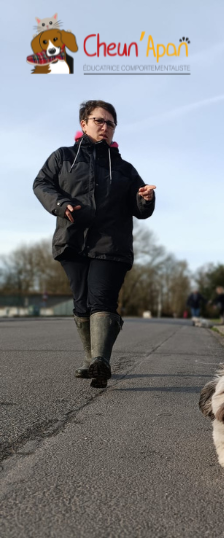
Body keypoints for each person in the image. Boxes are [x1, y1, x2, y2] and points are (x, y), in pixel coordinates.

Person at [33, 100, 156, 388]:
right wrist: (61, 203)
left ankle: (101, 361)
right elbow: (41, 184)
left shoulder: (125, 168)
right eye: (99, 121)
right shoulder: (63, 157)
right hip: (73, 239)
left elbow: (139, 208)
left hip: (111, 244)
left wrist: (145, 199)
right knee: (82, 302)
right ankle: (90, 360)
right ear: (84, 124)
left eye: (110, 123)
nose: (105, 127)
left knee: (102, 299)